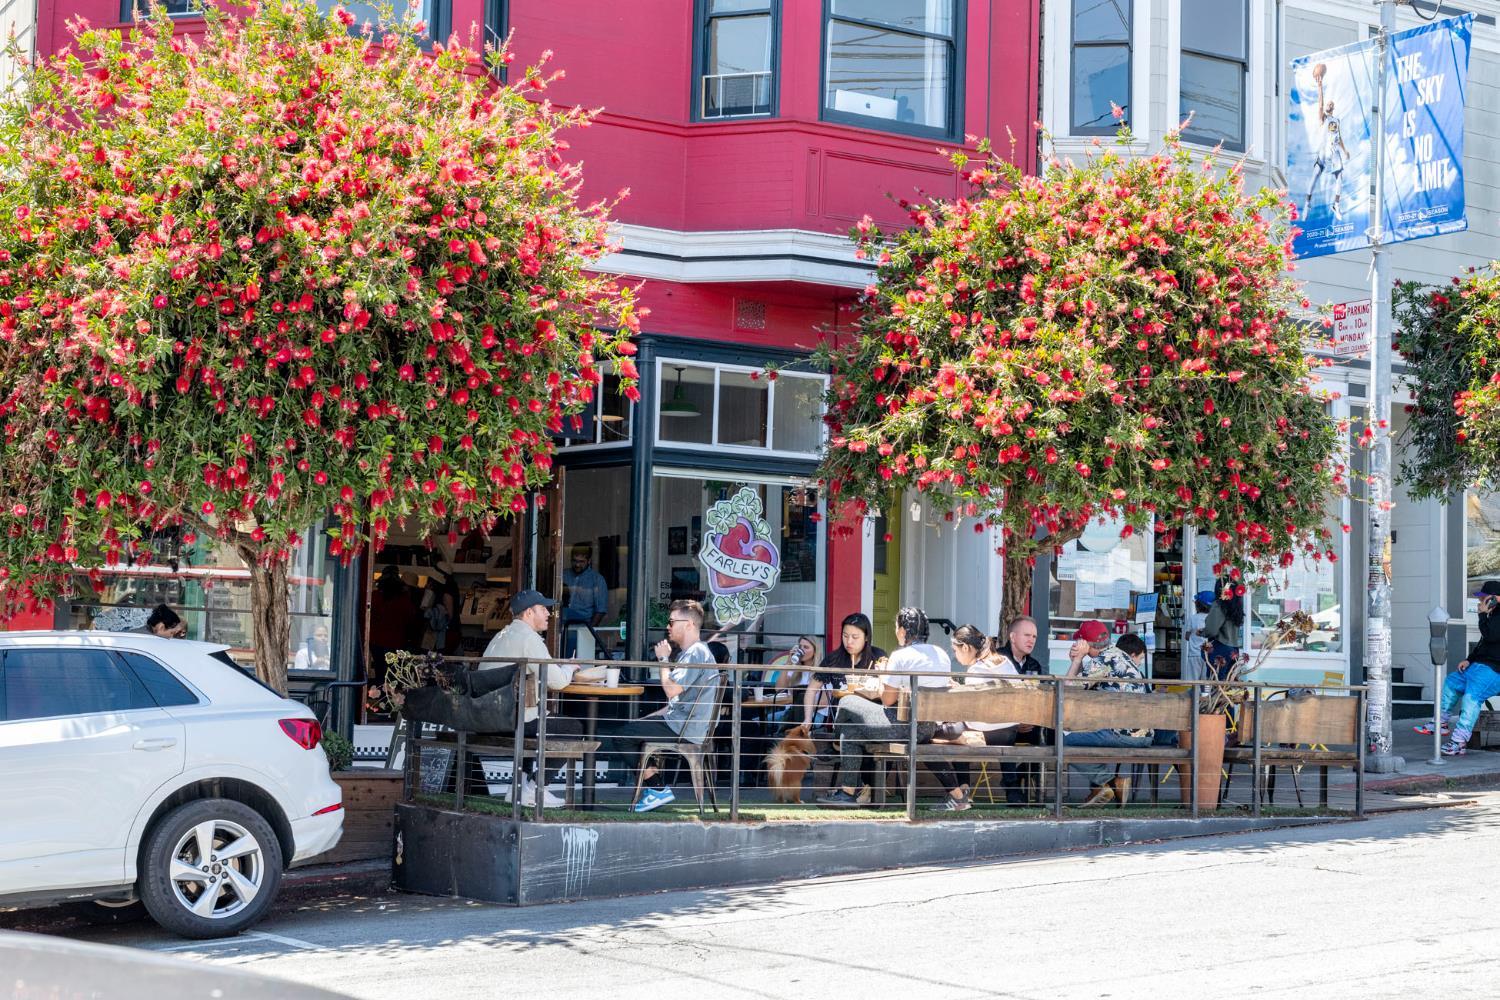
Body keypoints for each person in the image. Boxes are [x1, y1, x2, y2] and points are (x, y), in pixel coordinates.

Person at [817, 607, 968, 811]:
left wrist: (882, 678)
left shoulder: (901, 655)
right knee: (850, 731)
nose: (896, 632)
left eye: (897, 628)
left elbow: (888, 700)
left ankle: (835, 743)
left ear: (904, 631)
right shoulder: (940, 654)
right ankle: (847, 793)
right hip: (927, 728)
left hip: (900, 726)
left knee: (847, 702)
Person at [593, 599, 722, 813]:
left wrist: (663, 659)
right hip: (684, 724)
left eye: (672, 622)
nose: (668, 627)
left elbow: (671, 690)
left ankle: (656, 787)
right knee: (631, 731)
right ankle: (655, 785)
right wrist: (645, 720)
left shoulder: (695, 653)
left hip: (684, 728)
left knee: (621, 736)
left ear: (689, 624)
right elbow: (676, 702)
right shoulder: (696, 652)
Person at [482, 590, 581, 807]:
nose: (549, 613)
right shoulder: (529, 639)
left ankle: (519, 786)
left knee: (538, 717)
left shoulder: (500, 636)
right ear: (529, 612)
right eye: (543, 608)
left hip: (490, 717)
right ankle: (537, 787)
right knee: (573, 727)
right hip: (512, 720)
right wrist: (569, 667)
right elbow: (558, 682)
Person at [1063, 625, 1152, 806]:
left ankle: (1110, 782)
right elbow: (1082, 686)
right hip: (1143, 735)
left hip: (1123, 734)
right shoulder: (1119, 655)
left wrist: (1077, 659)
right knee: (1082, 737)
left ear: (1086, 643)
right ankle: (1104, 786)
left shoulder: (1102, 661)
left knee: (1061, 740)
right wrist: (1079, 660)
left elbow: (1068, 692)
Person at [945, 624, 1029, 804]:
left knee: (954, 734)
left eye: (955, 650)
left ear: (966, 647)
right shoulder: (1005, 662)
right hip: (1009, 730)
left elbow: (969, 706)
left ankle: (963, 788)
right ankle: (1012, 789)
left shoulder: (976, 669)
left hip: (983, 731)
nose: (955, 655)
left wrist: (957, 689)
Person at [1426, 581, 1500, 756]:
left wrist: (1482, 615)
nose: (1479, 602)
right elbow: (1484, 643)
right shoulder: (1493, 615)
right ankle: (1441, 722)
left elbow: (1491, 635)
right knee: (1452, 681)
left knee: (1471, 698)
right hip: (1478, 667)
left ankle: (1459, 741)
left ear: (1495, 599)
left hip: (1494, 670)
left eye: (1483, 598)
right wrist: (1469, 659)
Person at [806, 613, 886, 729]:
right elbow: (811, 689)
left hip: (871, 720)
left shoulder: (878, 657)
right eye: (845, 636)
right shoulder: (833, 659)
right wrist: (807, 719)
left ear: (867, 637)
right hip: (841, 721)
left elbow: (889, 689)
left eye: (855, 637)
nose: (849, 642)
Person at [1301, 62, 1350, 221]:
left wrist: (1345, 150)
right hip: (1323, 150)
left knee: (1340, 177)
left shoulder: (1336, 120)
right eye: (1327, 103)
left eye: (1331, 103)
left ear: (1333, 107)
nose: (1329, 104)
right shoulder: (1323, 118)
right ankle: (1307, 202)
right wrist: (1320, 87)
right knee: (1315, 175)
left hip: (1334, 151)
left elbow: (1339, 136)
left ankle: (1336, 204)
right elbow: (1320, 104)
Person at [368, 565, 420, 684]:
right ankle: (389, 697)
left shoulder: (375, 596)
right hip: (395, 641)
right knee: (393, 673)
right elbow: (410, 618)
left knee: (380, 671)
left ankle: (380, 694)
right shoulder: (403, 599)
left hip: (376, 640)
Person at [562, 544, 609, 657]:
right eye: (574, 561)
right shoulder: (562, 575)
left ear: (589, 561)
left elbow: (600, 610)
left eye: (581, 561)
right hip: (561, 627)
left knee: (579, 663)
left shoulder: (597, 580)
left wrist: (589, 632)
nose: (577, 564)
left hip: (582, 627)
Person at [1202, 583, 1244, 680]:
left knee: (1215, 684)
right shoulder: (1237, 605)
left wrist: (1202, 632)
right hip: (1234, 649)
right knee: (1226, 684)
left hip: (1220, 647)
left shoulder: (1219, 605)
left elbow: (1211, 631)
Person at [1182, 591, 1214, 682]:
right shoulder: (1212, 619)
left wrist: (1193, 637)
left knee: (1193, 682)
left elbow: (1187, 637)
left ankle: (1193, 696)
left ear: (1198, 605)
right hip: (1208, 656)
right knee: (1206, 682)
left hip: (1194, 655)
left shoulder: (1192, 618)